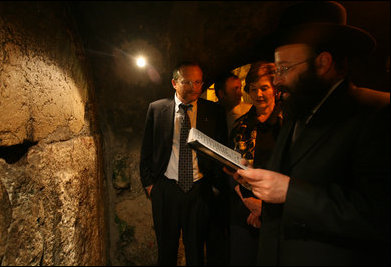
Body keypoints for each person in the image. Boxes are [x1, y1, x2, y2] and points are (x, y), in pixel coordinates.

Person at [234, 1, 390, 265]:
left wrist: (289, 193)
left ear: (323, 63)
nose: (278, 81)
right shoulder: (297, 109)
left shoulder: (376, 113)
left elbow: (377, 215)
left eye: (283, 69)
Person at [139, 61, 228, 265]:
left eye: (198, 82)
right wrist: (150, 185)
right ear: (174, 83)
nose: (193, 88)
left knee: (196, 251)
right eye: (187, 82)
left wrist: (214, 185)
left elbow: (221, 150)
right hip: (166, 188)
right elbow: (146, 150)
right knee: (167, 250)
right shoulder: (157, 109)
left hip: (199, 189)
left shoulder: (214, 112)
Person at [227, 61, 282, 265]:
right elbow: (229, 169)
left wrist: (264, 209)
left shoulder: (289, 124)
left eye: (264, 88)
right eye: (253, 89)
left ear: (275, 89)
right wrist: (249, 202)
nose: (258, 94)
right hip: (243, 211)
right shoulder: (240, 126)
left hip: (278, 214)